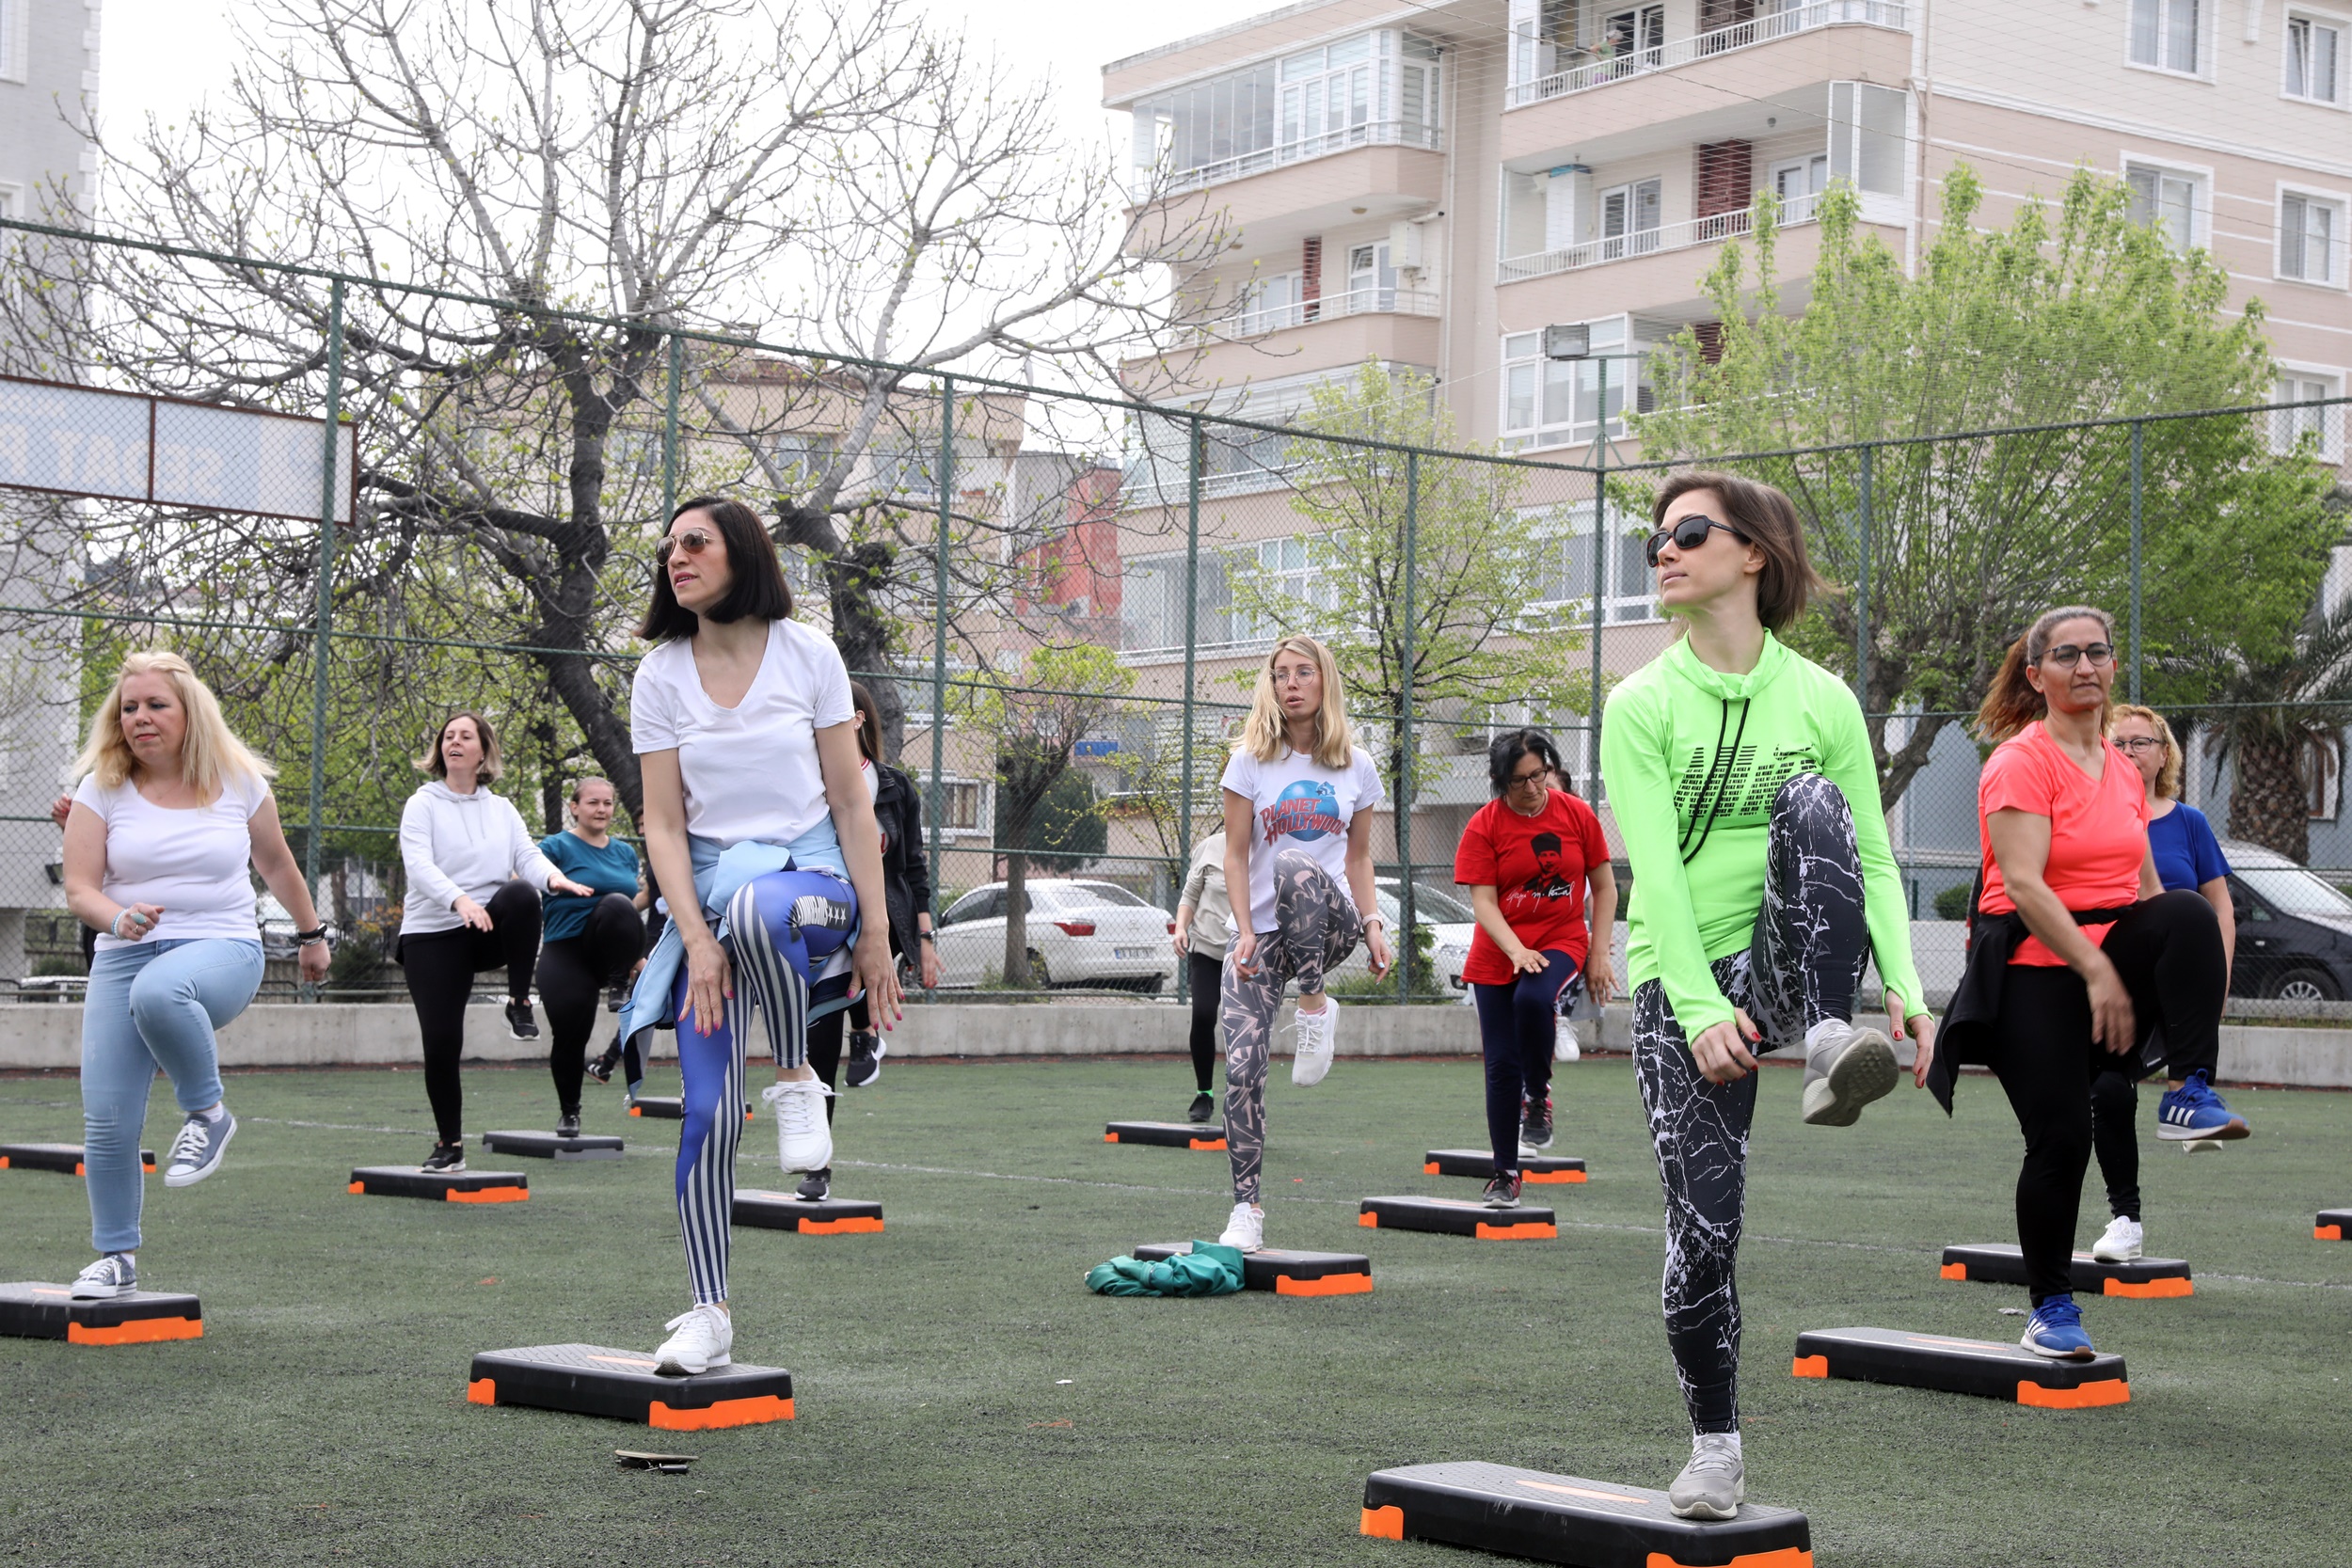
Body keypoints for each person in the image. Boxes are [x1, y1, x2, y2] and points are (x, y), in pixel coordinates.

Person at [1598, 471, 1933, 1521]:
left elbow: (1869, 856)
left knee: (1815, 798)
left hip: (1790, 961)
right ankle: (1715, 1446)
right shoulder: (1639, 704)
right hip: (1684, 982)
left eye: (1689, 532)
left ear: (1753, 552)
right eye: (1656, 538)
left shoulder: (1823, 699)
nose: (1664, 550)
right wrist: (1700, 1010)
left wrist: (1907, 989)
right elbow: (1653, 875)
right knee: (1704, 1228)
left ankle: (1832, 1038)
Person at [621, 496, 900, 1375]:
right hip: (708, 907)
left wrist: (877, 932)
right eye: (668, 547)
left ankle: (793, 1073)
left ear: (742, 552)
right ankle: (709, 1311)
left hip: (811, 887)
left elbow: (852, 802)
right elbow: (664, 825)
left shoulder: (810, 654)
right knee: (705, 1114)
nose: (676, 557)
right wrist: (693, 940)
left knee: (756, 908)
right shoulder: (659, 675)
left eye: (695, 542)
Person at [1936, 609, 2242, 1365]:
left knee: (2187, 913)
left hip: (2109, 953)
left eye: (2097, 652)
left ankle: (2189, 1090)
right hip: (2032, 970)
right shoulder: (2020, 761)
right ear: (2036, 674)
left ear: (2112, 666)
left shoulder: (2123, 770)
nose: (2085, 666)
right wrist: (2098, 970)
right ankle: (2050, 1307)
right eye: (2066, 655)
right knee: (2063, 1138)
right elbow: (2023, 885)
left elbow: (2147, 893)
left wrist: (2165, 978)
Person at [59, 651, 331, 1299]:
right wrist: (117, 917)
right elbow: (79, 888)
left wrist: (311, 935)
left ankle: (207, 1112)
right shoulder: (100, 787)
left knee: (161, 991)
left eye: (157, 705)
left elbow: (277, 863)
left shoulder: (237, 781)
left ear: (190, 714)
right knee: (107, 1121)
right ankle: (117, 1258)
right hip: (124, 952)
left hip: (222, 947)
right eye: (129, 707)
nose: (140, 717)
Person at [1216, 634, 1391, 1254]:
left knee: (1294, 865)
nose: (1290, 683)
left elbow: (1360, 857)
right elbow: (1234, 856)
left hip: (1327, 922)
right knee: (1241, 1067)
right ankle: (1246, 1208)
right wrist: (1243, 930)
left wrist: (1373, 922)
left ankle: (1314, 1005)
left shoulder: (1356, 766)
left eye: (1303, 672)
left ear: (1324, 681)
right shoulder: (1248, 761)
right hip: (1263, 934)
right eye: (1280, 674)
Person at [397, 711, 596, 1170]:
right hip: (432, 933)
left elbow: (526, 856)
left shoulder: (502, 809)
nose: (454, 742)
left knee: (523, 894)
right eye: (448, 736)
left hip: (484, 927)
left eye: (465, 736)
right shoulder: (422, 804)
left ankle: (519, 1002)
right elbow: (419, 866)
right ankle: (450, 1146)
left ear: (483, 750)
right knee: (441, 1042)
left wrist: (555, 879)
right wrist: (459, 900)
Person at [2090, 705, 2235, 1261]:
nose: (2130, 751)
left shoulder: (2188, 822)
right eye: (2119, 742)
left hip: (2172, 980)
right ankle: (2125, 1221)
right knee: (2106, 1089)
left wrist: (2215, 981)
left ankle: (2187, 1097)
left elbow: (2220, 911)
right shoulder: (2095, 810)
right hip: (2108, 975)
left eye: (2141, 742)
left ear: (2164, 753)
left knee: (2187, 910)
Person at [1454, 728, 1616, 1206]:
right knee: (1500, 1066)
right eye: (1519, 780)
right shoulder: (1484, 826)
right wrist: (1515, 951)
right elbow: (1483, 903)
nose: (1532, 787)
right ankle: (1506, 1175)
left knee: (1534, 997)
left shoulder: (1577, 814)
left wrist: (1599, 953)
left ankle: (1538, 1095)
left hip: (1560, 938)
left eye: (1538, 774)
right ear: (1500, 780)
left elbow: (1605, 887)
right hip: (1497, 952)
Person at [795, 680, 938, 1201]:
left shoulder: (893, 786)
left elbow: (913, 867)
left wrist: (926, 938)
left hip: (882, 920)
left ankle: (863, 1028)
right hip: (821, 919)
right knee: (817, 1043)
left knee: (861, 930)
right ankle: (819, 1163)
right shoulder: (805, 783)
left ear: (856, 719)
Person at [536, 776, 648, 1136]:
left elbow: (629, 909)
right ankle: (569, 1112)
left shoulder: (624, 853)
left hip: (608, 953)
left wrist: (635, 957)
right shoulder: (555, 846)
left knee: (617, 903)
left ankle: (618, 986)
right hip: (566, 949)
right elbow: (525, 874)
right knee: (570, 1035)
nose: (602, 809)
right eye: (593, 802)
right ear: (574, 807)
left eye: (607, 803)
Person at [1170, 824, 1232, 1124]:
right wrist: (1181, 928)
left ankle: (1243, 1097)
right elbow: (1190, 895)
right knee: (1204, 1014)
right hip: (1207, 949)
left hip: (1249, 955)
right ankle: (1204, 1094)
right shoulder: (1209, 847)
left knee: (1244, 1026)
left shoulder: (1268, 849)